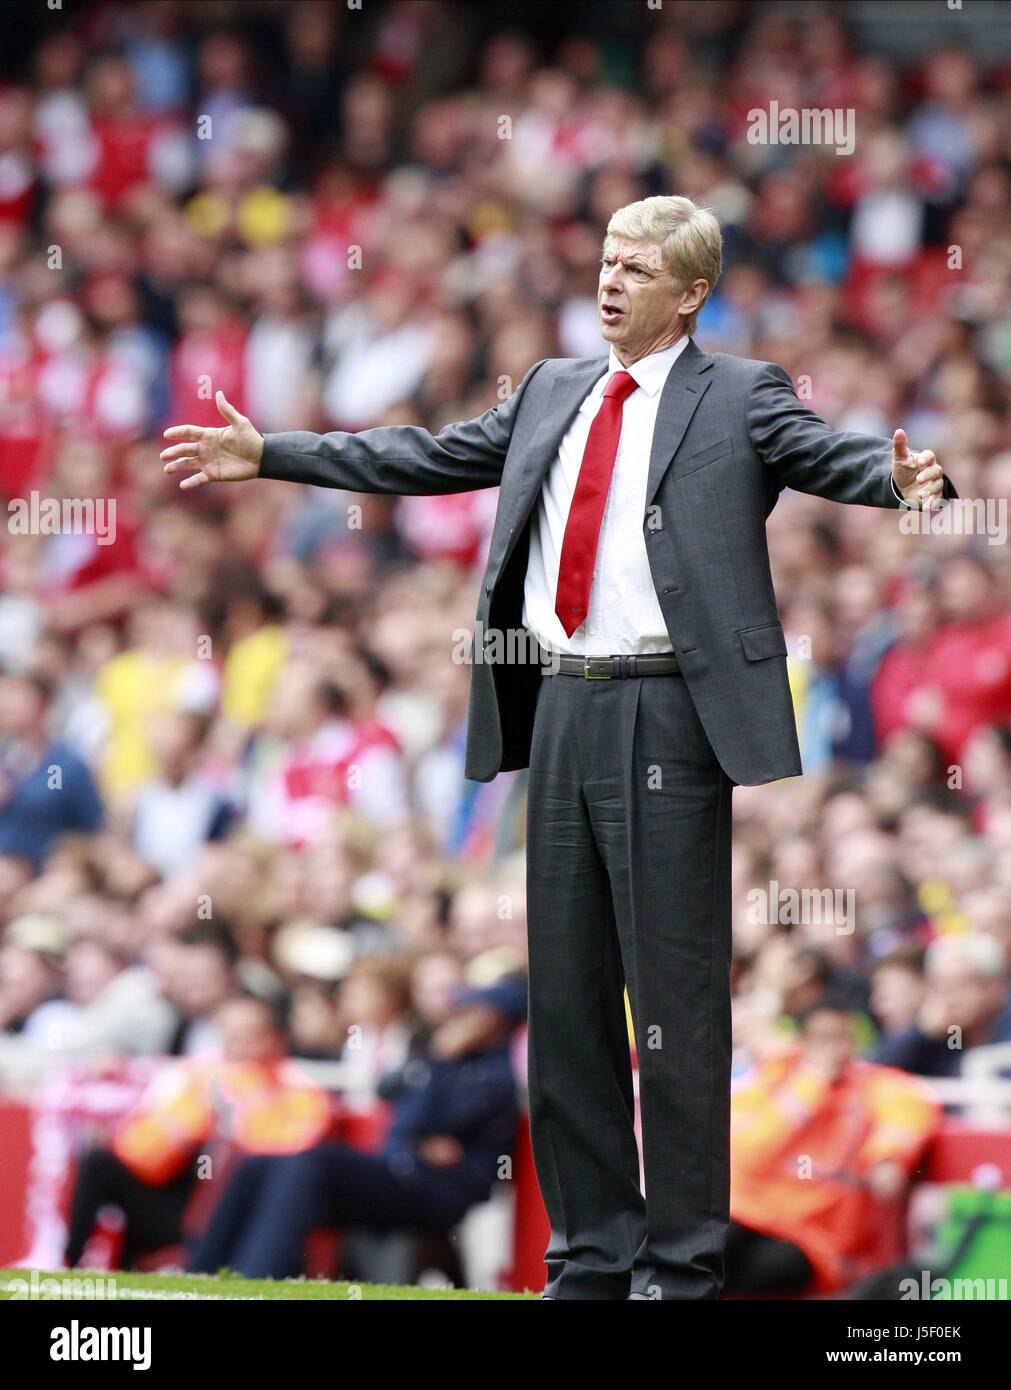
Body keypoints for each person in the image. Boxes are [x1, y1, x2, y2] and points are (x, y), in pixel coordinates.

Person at [162, 194, 956, 1300]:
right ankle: (587, 1262)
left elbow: (824, 454)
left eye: (639, 268)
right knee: (569, 1003)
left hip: (669, 712)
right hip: (564, 707)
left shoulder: (740, 392)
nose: (612, 280)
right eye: (607, 260)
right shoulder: (550, 386)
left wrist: (900, 480)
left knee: (674, 1006)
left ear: (689, 293)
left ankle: (681, 1272)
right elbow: (432, 454)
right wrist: (277, 453)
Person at [188, 974, 519, 1279]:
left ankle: (253, 1279)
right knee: (262, 1162)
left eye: (472, 1013)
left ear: (493, 1022)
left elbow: (412, 1121)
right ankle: (201, 1274)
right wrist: (430, 1081)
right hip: (397, 1170)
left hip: (432, 1189)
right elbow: (393, 1100)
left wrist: (440, 1060)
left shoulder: (495, 1075)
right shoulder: (444, 1063)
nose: (458, 1021)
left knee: (313, 1162)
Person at [65, 994, 330, 1269]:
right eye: (229, 1034)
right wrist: (189, 1127)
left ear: (276, 1038)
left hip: (239, 1207)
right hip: (177, 1197)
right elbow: (139, 1142)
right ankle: (69, 1266)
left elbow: (292, 1156)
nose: (237, 1045)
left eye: (248, 1035)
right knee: (99, 1163)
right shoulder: (198, 1071)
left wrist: (240, 1112)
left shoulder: (298, 1086)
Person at [728, 997, 941, 1297]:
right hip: (751, 1213)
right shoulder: (774, 1079)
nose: (835, 1048)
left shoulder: (871, 1084)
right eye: (823, 1038)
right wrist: (810, 1087)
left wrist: (889, 1157)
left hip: (813, 1241)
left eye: (842, 1036)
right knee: (707, 1245)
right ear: (802, 1042)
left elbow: (908, 1109)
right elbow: (747, 1154)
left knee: (769, 1269)